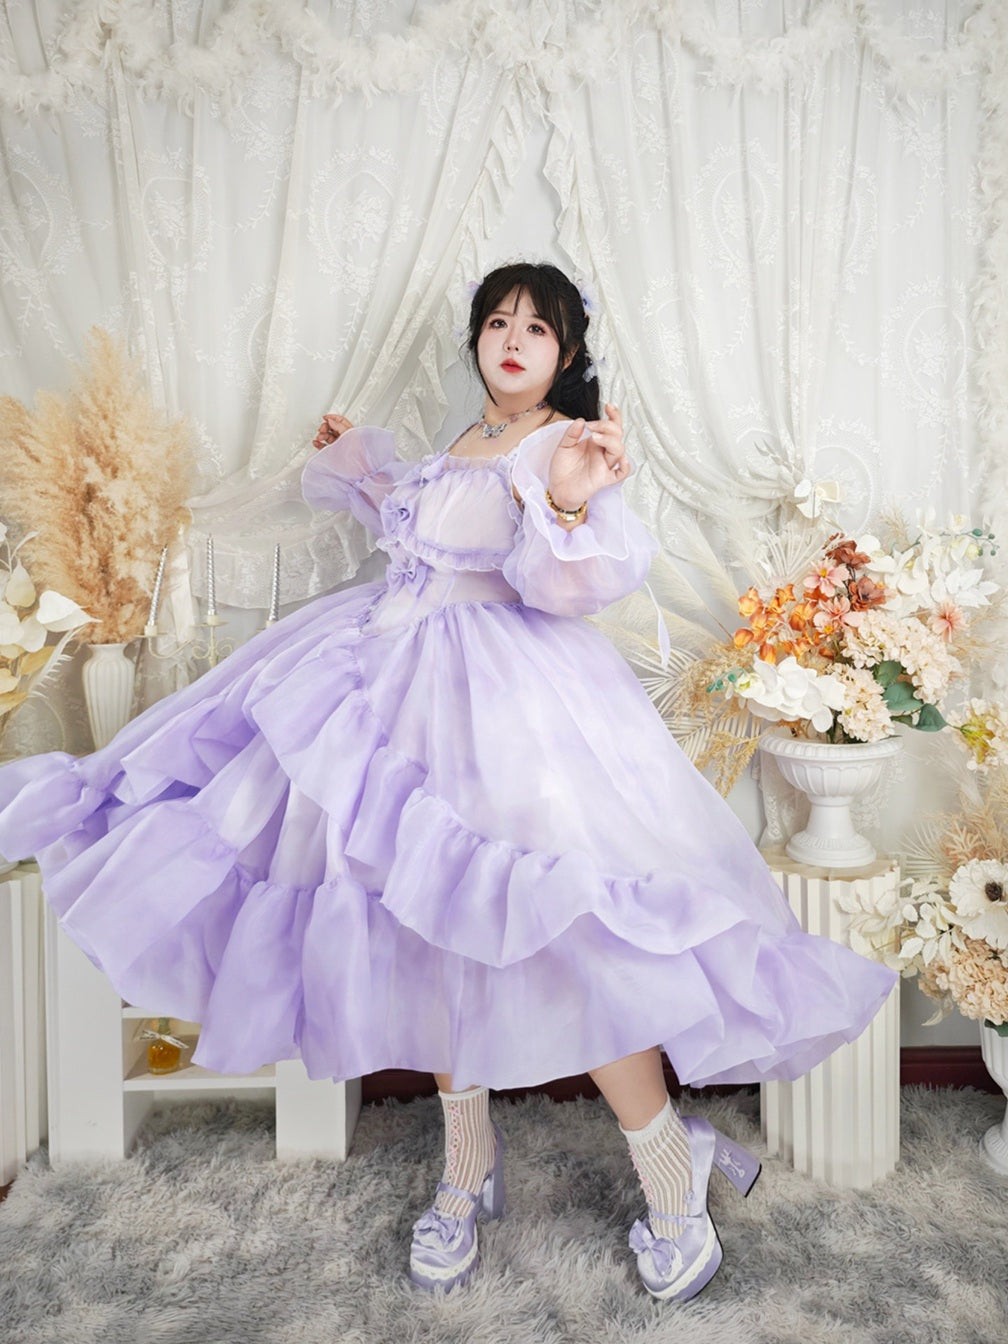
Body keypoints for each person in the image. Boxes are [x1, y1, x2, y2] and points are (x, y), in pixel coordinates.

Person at [0, 262, 895, 1303]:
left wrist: (566, 504)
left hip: (513, 710)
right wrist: (358, 465)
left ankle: (671, 1168)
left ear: (567, 354)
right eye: (499, 322)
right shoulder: (462, 444)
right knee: (418, 928)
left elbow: (572, 582)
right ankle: (466, 1168)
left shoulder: (569, 445)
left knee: (576, 931)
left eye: (539, 329)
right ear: (475, 338)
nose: (514, 339)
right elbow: (417, 528)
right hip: (394, 685)